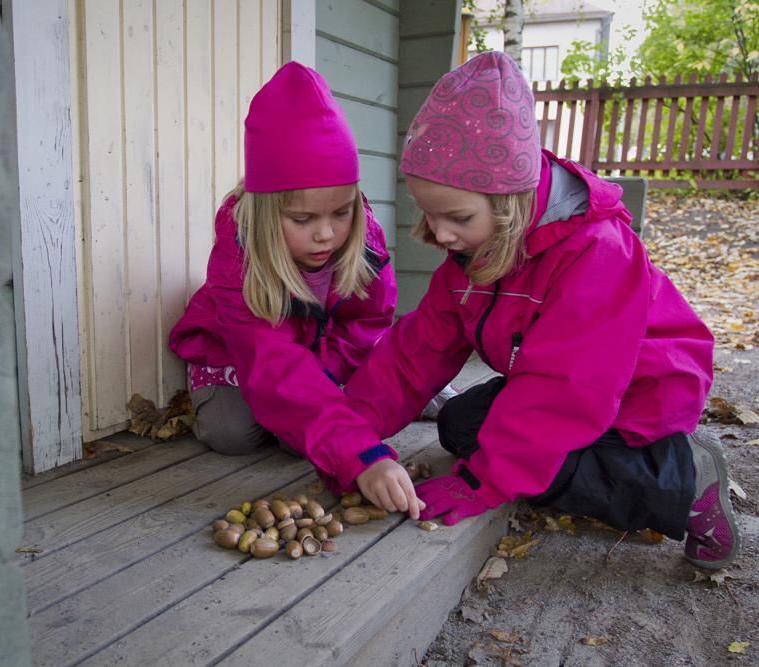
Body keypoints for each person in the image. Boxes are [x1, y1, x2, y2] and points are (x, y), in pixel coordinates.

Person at [338, 51, 738, 569]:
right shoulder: (473, 253)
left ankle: (685, 479)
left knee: (539, 463)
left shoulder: (597, 251)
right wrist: (352, 433)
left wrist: (482, 484)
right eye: (429, 215)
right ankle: (574, 465)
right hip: (562, 378)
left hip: (639, 393)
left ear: (510, 202)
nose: (439, 234)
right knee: (461, 425)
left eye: (456, 216)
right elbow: (419, 350)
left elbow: (564, 388)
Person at [169, 62, 455, 509]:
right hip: (240, 351)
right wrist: (361, 455)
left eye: (341, 213)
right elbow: (272, 362)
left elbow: (368, 324)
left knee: (297, 437)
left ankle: (382, 392)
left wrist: (325, 377)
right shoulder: (238, 257)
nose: (326, 234)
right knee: (233, 434)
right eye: (302, 220)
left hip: (323, 351)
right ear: (265, 212)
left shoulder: (364, 244)